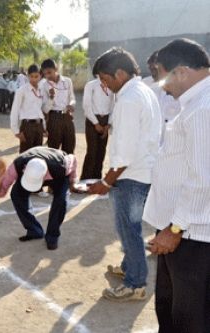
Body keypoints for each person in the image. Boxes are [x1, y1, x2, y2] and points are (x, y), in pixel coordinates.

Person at [142, 38, 210, 333]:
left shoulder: (203, 109)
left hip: (192, 234)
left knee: (190, 318)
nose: (162, 85)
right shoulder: (195, 104)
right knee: (170, 308)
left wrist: (175, 228)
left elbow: (203, 178)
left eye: (162, 75)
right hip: (182, 229)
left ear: (181, 71)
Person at [88, 47, 162, 301]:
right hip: (141, 170)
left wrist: (106, 182)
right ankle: (130, 267)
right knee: (129, 227)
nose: (104, 85)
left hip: (131, 175)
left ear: (120, 73)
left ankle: (135, 284)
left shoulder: (129, 99)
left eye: (105, 79)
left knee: (128, 228)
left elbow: (126, 150)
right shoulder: (143, 92)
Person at [0, 146, 80, 250]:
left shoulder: (62, 165)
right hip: (39, 166)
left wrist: (73, 181)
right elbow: (1, 193)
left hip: (57, 174)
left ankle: (52, 236)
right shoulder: (17, 166)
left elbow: (73, 160)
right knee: (16, 194)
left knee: (61, 201)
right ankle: (34, 231)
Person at [80, 64, 115, 180]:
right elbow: (86, 106)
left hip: (106, 121)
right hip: (92, 120)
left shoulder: (111, 86)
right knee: (92, 151)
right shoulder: (91, 85)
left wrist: (108, 124)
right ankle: (85, 178)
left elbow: (113, 105)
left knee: (101, 151)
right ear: (98, 73)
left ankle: (97, 178)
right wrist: (96, 123)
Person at [40, 59, 76, 154]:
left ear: (56, 69)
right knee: (53, 151)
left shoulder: (67, 81)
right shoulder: (44, 85)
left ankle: (68, 168)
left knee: (69, 149)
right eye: (45, 74)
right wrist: (51, 98)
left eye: (49, 72)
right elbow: (45, 109)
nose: (47, 76)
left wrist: (71, 105)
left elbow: (72, 97)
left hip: (67, 117)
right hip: (53, 119)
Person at [10, 64, 45, 153]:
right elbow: (15, 110)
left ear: (40, 76)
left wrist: (44, 127)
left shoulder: (42, 90)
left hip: (39, 127)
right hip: (27, 127)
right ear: (28, 76)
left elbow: (42, 110)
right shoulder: (22, 91)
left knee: (38, 157)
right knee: (25, 157)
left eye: (36, 76)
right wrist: (16, 131)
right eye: (31, 76)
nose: (34, 79)